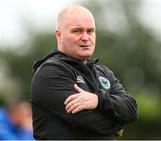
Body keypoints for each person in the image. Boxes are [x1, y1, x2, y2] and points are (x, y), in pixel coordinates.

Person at [31, 5, 138, 140]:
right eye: (77, 31)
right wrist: (118, 124)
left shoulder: (103, 73)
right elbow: (86, 121)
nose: (85, 37)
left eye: (90, 31)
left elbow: (131, 108)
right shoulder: (50, 72)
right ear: (59, 36)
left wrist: (99, 100)